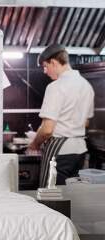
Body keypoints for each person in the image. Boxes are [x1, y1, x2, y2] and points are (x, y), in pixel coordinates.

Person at [27, 44, 94, 187]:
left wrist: (34, 144)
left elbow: (47, 129)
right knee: (71, 196)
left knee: (50, 195)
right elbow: (86, 123)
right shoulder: (86, 86)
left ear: (54, 62)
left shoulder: (55, 87)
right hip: (80, 151)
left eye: (45, 66)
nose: (45, 71)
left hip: (60, 151)